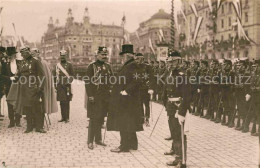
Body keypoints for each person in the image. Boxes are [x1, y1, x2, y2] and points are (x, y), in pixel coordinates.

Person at [107, 44, 144, 153]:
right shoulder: (129, 64)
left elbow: (136, 80)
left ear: (130, 55)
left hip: (127, 98)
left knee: (124, 122)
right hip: (128, 98)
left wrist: (126, 91)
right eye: (123, 55)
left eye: (125, 55)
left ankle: (124, 146)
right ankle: (133, 144)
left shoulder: (132, 65)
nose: (123, 57)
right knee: (129, 121)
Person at [164, 50, 190, 168]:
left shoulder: (182, 75)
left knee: (180, 134)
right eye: (170, 61)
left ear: (179, 61)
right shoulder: (171, 73)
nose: (172, 63)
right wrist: (166, 104)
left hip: (178, 107)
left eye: (174, 61)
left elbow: (187, 95)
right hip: (171, 107)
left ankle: (181, 161)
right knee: (174, 133)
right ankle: (177, 157)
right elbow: (167, 90)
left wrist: (182, 112)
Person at [85, 46, 113, 150]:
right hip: (95, 97)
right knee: (93, 119)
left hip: (105, 97)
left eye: (106, 54)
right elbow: (87, 82)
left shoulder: (108, 66)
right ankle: (90, 141)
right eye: (102, 54)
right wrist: (90, 95)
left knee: (101, 118)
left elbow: (112, 80)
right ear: (97, 55)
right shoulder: (91, 66)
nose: (104, 56)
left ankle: (98, 139)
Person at [18, 46, 46, 133]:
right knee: (27, 108)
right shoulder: (22, 62)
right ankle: (29, 127)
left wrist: (39, 88)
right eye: (22, 53)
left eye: (25, 53)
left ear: (29, 52)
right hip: (25, 89)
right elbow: (20, 73)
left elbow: (42, 75)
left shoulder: (36, 61)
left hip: (34, 88)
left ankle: (39, 127)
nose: (23, 55)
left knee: (37, 108)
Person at [1, 47, 22, 128]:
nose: (10, 57)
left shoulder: (20, 63)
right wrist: (9, 78)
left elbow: (23, 74)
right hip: (9, 86)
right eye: (9, 55)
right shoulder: (4, 64)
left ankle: (18, 121)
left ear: (14, 55)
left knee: (18, 103)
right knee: (10, 103)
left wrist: (18, 78)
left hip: (18, 86)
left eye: (12, 55)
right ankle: (12, 121)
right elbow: (1, 76)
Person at [54, 50, 74, 123]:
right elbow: (55, 76)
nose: (62, 57)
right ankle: (63, 117)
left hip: (67, 86)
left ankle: (67, 117)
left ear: (66, 56)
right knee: (61, 101)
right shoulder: (57, 65)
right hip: (59, 85)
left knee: (67, 101)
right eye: (61, 56)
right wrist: (55, 85)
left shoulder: (69, 65)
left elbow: (72, 75)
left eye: (64, 56)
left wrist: (68, 82)